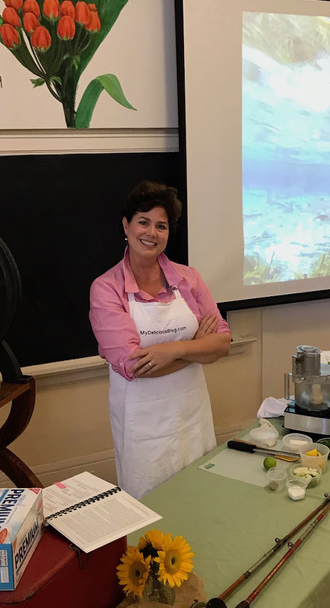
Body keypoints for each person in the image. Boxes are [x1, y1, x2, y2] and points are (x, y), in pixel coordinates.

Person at [89, 180, 231, 497]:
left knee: (199, 497)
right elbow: (132, 366)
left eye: (161, 226)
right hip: (142, 425)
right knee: (149, 509)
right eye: (143, 222)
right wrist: (197, 348)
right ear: (126, 225)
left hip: (192, 415)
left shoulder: (188, 278)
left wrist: (172, 350)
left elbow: (222, 342)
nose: (151, 233)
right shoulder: (106, 288)